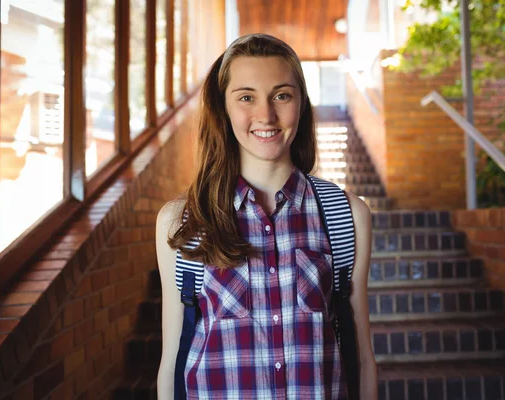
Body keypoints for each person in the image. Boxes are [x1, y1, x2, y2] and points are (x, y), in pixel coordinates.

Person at [155, 33, 377, 399]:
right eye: (246, 97)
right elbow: (172, 362)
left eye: (282, 95)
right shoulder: (181, 221)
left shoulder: (347, 216)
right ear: (223, 108)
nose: (266, 115)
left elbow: (362, 356)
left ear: (301, 104)